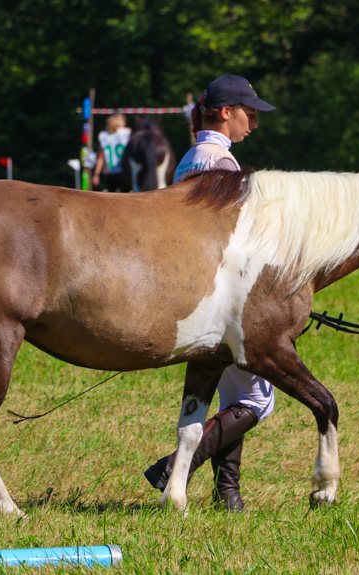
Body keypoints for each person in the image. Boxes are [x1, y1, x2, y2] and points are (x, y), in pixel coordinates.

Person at [144, 74, 276, 512]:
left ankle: (227, 495)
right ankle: (173, 467)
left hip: (197, 295)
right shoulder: (221, 165)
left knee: (230, 398)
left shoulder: (190, 159)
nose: (252, 124)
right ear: (226, 113)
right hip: (219, 300)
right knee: (258, 399)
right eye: (249, 114)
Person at [92, 114, 131, 192]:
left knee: (111, 198)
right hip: (124, 171)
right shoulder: (126, 133)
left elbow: (101, 158)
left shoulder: (103, 135)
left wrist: (96, 174)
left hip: (109, 172)